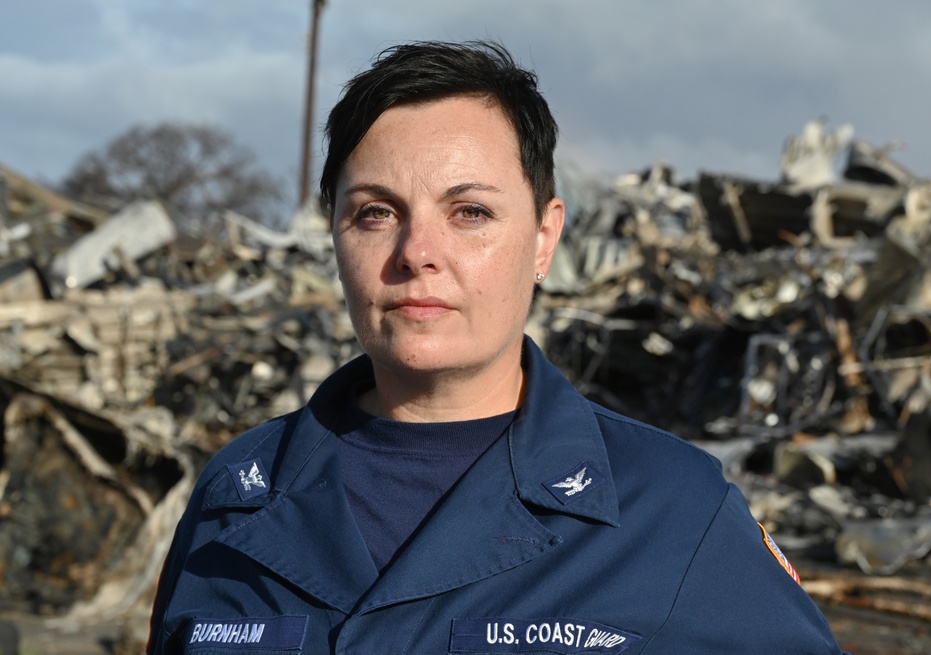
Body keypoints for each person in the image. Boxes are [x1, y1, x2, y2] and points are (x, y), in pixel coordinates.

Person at [147, 40, 847, 654]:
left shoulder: (672, 510)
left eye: (470, 212)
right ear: (333, 234)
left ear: (545, 237)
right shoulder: (234, 500)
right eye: (375, 213)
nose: (418, 253)